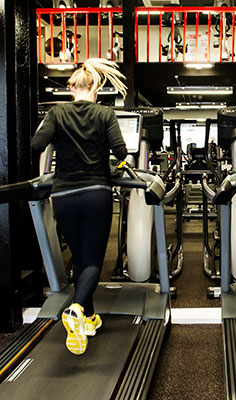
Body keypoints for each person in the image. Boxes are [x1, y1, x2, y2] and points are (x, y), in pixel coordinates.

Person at [31, 58, 128, 355]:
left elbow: (36, 145)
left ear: (71, 87)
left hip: (63, 196)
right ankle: (75, 310)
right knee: (93, 261)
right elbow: (121, 151)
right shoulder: (105, 113)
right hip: (95, 193)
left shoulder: (56, 112)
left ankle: (89, 318)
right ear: (96, 88)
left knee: (81, 259)